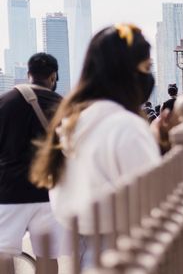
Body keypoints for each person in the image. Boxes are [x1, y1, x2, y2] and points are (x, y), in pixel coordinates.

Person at [30, 24, 161, 261]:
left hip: (82, 250)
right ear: (127, 73)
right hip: (127, 251)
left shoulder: (70, 122)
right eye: (147, 67)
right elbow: (153, 201)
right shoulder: (127, 127)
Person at [0, 52, 64, 274]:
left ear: (28, 74)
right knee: (48, 257)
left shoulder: (5, 102)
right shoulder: (61, 104)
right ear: (53, 76)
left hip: (9, 193)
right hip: (48, 193)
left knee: (4, 255)